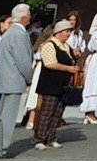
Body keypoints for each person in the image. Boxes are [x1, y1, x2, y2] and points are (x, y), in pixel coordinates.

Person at [0, 5, 35, 157]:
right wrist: (29, 78)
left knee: (3, 116)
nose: (30, 17)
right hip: (13, 80)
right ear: (24, 17)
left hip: (5, 80)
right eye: (29, 14)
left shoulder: (10, 33)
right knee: (8, 118)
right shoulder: (18, 34)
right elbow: (23, 60)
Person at [33, 20, 80, 148]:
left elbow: (71, 61)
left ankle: (51, 137)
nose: (68, 34)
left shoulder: (66, 46)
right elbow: (50, 64)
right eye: (66, 31)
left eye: (69, 31)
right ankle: (40, 139)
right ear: (59, 32)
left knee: (58, 112)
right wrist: (68, 68)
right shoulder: (49, 45)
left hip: (62, 84)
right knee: (47, 112)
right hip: (50, 84)